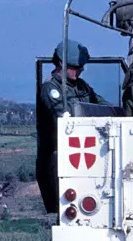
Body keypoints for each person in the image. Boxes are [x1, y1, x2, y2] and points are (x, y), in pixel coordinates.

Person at [35, 39, 108, 213]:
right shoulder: (50, 89)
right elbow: (67, 119)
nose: (80, 70)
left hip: (85, 158)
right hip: (59, 160)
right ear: (61, 63)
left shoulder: (82, 87)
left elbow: (103, 107)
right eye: (76, 67)